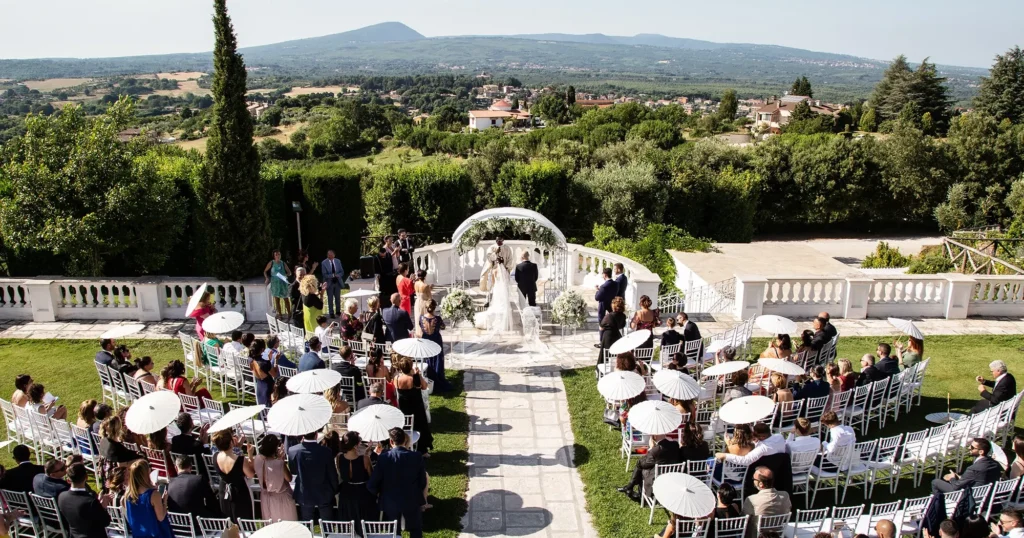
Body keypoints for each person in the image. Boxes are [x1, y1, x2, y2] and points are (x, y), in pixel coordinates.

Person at [368, 428, 429, 538]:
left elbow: (373, 482)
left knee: (393, 532)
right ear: (405, 440)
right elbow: (422, 481)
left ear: (391, 442)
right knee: (415, 529)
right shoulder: (416, 456)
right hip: (411, 499)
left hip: (390, 501)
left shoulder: (383, 457)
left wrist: (378, 494)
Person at [288, 429, 339, 522]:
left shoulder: (293, 450)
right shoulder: (326, 451)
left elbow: (293, 471)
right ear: (316, 435)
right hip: (324, 492)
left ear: (303, 435)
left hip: (305, 492)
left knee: (307, 522)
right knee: (327, 523)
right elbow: (332, 473)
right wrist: (335, 489)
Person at [617, 433, 681, 501]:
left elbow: (643, 463)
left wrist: (650, 449)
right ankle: (630, 487)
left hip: (657, 478)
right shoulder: (675, 444)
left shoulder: (655, 450)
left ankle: (638, 494)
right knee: (645, 466)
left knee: (643, 469)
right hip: (672, 477)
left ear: (655, 436)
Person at [58, 462, 111, 538]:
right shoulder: (90, 502)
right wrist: (103, 507)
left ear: (68, 480)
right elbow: (105, 522)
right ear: (86, 477)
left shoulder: (61, 496)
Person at [932, 437, 1002, 494]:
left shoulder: (973, 469)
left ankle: (937, 505)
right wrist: (959, 477)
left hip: (972, 497)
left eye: (972, 447)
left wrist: (952, 478)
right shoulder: (995, 464)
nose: (969, 448)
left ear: (981, 452)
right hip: (988, 495)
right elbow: (977, 478)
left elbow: (956, 487)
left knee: (935, 482)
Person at [212, 430, 255, 521]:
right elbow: (251, 474)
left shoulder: (215, 457)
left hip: (223, 491)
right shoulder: (241, 460)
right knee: (244, 522)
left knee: (229, 522)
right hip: (240, 492)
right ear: (231, 442)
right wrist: (250, 456)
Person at [336, 431, 375, 532]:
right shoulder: (365, 459)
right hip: (362, 493)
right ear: (356, 445)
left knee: (347, 520)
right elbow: (372, 476)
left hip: (346, 491)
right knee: (362, 521)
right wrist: (367, 454)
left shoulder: (339, 457)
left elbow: (342, 472)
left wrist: (366, 452)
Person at [123, 460, 172, 538]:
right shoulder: (153, 494)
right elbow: (161, 517)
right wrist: (164, 501)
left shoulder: (127, 494)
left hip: (138, 534)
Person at [395, 356, 433, 454]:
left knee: (407, 426)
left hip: (404, 408)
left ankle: (406, 445)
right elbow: (425, 386)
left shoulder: (397, 378)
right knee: (421, 427)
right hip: (417, 407)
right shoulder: (414, 378)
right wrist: (418, 374)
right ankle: (422, 450)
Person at [253, 435, 296, 522]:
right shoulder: (279, 464)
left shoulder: (257, 459)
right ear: (275, 448)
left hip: (265, 498)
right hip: (282, 499)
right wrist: (281, 461)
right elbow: (289, 478)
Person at [742, 467, 792, 538]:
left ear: (761, 484)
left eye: (754, 479)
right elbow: (787, 514)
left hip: (757, 535)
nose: (753, 481)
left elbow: (744, 519)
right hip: (777, 534)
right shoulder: (785, 496)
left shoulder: (751, 500)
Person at [419, 299, 452, 393]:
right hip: (436, 341)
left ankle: (428, 377)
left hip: (426, 341)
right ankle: (438, 377)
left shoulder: (421, 318)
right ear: (434, 308)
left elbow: (421, 326)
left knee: (427, 357)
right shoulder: (437, 319)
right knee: (437, 358)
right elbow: (443, 327)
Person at [716, 422, 786, 466]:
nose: (753, 435)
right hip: (780, 466)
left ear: (762, 436)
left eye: (754, 434)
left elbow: (746, 460)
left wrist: (725, 455)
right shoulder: (780, 436)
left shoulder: (762, 448)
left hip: (764, 468)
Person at [480, 236, 513, 308]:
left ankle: (504, 300)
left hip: (504, 269)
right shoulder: (492, 248)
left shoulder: (507, 248)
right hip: (493, 269)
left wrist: (506, 267)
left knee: (504, 285)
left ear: (503, 240)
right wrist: (495, 253)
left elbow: (510, 259)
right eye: (497, 240)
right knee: (490, 285)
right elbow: (489, 257)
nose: (498, 241)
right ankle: (487, 300)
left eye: (500, 240)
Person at [598, 296, 627, 364]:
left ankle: (604, 369)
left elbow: (601, 327)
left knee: (606, 354)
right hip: (617, 336)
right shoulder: (623, 316)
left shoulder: (609, 316)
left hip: (608, 337)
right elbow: (622, 326)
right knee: (616, 354)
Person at [264, 250, 293, 319]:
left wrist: (285, 275)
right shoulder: (271, 263)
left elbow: (289, 272)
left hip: (283, 283)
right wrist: (267, 278)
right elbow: (265, 271)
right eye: (276, 254)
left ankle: (289, 313)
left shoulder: (283, 263)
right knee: (277, 300)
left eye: (279, 254)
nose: (278, 256)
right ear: (274, 256)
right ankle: (280, 315)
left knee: (286, 299)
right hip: (275, 284)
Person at [249, 339, 277, 406]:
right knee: (269, 407)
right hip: (268, 387)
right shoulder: (264, 363)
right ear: (262, 349)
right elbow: (274, 374)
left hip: (259, 385)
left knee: (262, 407)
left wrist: (269, 359)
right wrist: (276, 360)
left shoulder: (250, 359)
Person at [320, 250, 344, 319]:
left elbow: (342, 272)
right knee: (330, 298)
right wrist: (333, 275)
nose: (329, 256)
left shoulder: (338, 261)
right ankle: (331, 313)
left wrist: (338, 275)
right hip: (329, 283)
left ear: (334, 255)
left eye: (331, 255)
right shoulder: (324, 263)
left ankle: (338, 311)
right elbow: (324, 274)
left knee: (338, 298)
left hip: (337, 282)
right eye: (328, 255)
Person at [411, 270, 432, 336]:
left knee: (418, 319)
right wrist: (430, 288)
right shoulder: (426, 286)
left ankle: (418, 334)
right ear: (425, 276)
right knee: (425, 319)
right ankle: (425, 334)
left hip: (417, 302)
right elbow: (429, 297)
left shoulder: (415, 283)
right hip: (424, 303)